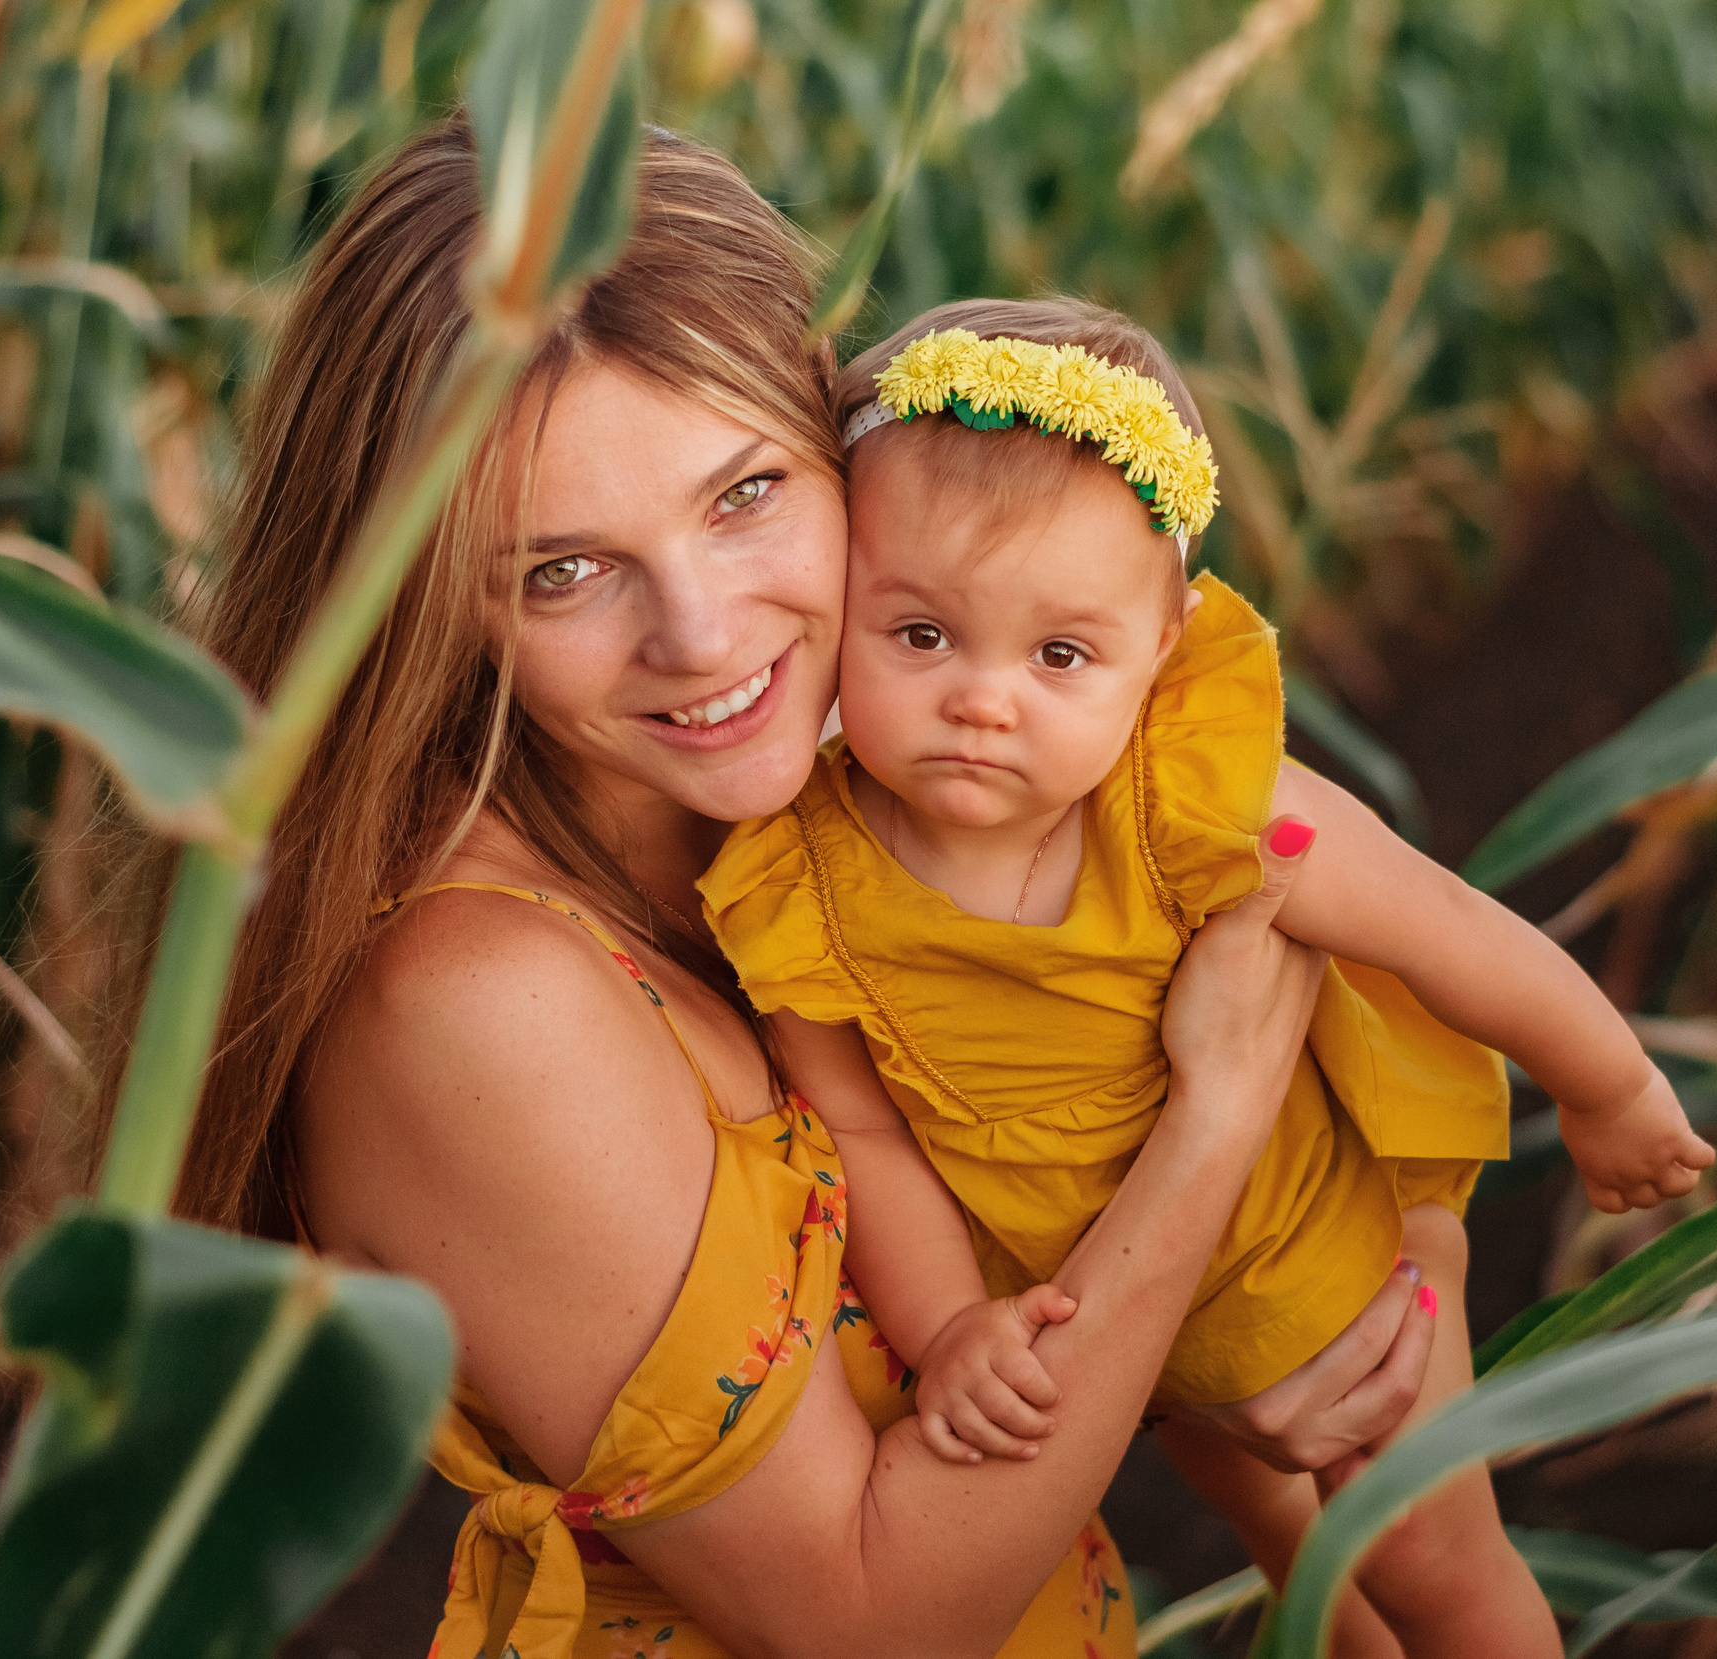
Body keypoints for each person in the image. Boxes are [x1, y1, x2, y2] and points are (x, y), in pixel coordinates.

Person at [145, 119, 1439, 1659]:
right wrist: (1215, 1131)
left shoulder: (885, 779)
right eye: (560, 570)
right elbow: (875, 1615)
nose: (701, 635)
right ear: (422, 592)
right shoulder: (477, 1004)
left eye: (746, 493)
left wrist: (1370, 1286)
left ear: (837, 421)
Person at [696, 299, 1717, 1657]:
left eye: (1060, 655)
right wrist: (948, 1330)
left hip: (1322, 1265)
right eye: (922, 636)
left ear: (1162, 646)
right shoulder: (799, 887)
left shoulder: (1187, 795)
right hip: (1128, 1305)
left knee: (1429, 1557)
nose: (984, 699)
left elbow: (1440, 926)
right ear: (840, 606)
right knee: (1296, 1556)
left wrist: (1610, 1085)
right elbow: (866, 1128)